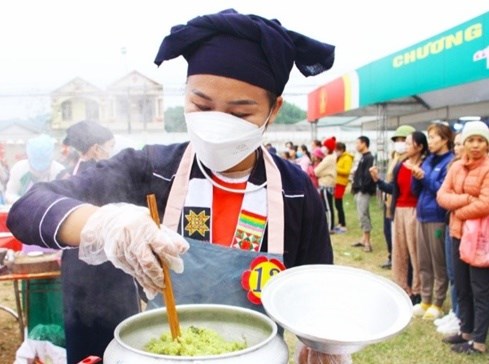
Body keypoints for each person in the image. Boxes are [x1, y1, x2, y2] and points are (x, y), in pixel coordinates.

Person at [7, 8, 335, 362]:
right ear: (185, 95)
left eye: (241, 114)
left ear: (274, 110)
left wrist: (322, 345)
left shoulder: (296, 192)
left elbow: (316, 298)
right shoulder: (152, 169)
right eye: (201, 104)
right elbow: (29, 208)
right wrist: (103, 224)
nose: (218, 124)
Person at [57, 120, 142, 363]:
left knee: (80, 332)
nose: (113, 150)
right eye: (110, 145)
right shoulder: (109, 178)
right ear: (95, 149)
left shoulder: (65, 177)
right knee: (116, 335)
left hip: (75, 269)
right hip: (110, 269)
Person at [437, 120, 489, 355]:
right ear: (464, 143)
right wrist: (467, 200)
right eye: (471, 140)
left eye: (480, 140)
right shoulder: (456, 167)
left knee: (480, 288)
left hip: (479, 238)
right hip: (457, 234)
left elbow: (486, 203)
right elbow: (442, 195)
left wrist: (458, 210)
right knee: (462, 286)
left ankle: (478, 341)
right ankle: (466, 331)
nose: (475, 145)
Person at [370, 131, 428, 301]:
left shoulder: (424, 166)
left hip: (415, 211)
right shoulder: (401, 164)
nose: (405, 146)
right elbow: (394, 189)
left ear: (419, 146)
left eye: (408, 143)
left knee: (415, 253)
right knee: (400, 251)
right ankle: (403, 286)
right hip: (399, 211)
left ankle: (418, 290)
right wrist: (377, 181)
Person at [410, 123, 454, 321]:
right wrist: (416, 176)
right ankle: (425, 299)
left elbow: (441, 189)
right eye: (429, 137)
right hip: (422, 214)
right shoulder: (427, 160)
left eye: (434, 137)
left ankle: (438, 302)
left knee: (438, 262)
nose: (430, 141)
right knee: (424, 260)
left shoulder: (450, 162)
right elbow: (416, 190)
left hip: (437, 217)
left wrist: (424, 177)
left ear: (445, 139)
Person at [435, 132, 463, 336]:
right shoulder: (454, 167)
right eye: (459, 143)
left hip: (468, 229)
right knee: (453, 273)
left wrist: (457, 202)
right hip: (450, 222)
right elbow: (443, 196)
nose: (459, 147)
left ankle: (462, 317)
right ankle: (456, 311)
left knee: (464, 279)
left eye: (465, 143)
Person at [380, 125, 415, 269]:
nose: (399, 143)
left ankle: (401, 262)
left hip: (400, 202)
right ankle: (391, 256)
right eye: (397, 140)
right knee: (388, 231)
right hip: (389, 200)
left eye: (403, 140)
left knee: (398, 235)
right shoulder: (394, 157)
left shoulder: (409, 161)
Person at [5, 134, 64, 205]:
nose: (39, 169)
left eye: (43, 160)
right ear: (29, 155)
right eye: (36, 160)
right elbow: (10, 194)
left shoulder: (59, 170)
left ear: (51, 157)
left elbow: (64, 198)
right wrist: (26, 202)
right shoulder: (19, 168)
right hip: (23, 210)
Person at [350, 136, 376, 252]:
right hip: (359, 190)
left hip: (364, 191)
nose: (356, 146)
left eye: (358, 143)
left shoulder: (369, 157)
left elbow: (367, 176)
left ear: (364, 144)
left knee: (363, 214)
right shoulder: (362, 158)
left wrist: (362, 188)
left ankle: (367, 242)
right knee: (361, 214)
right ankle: (363, 238)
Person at [315, 137, 337, 232]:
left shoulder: (328, 159)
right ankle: (330, 225)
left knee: (327, 207)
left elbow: (316, 171)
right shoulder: (332, 158)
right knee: (329, 206)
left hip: (326, 185)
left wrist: (322, 174)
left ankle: (329, 227)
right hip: (329, 184)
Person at [333, 142, 353, 233]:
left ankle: (343, 223)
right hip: (337, 182)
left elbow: (346, 171)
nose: (336, 152)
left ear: (341, 150)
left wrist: (335, 168)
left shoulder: (347, 158)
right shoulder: (340, 158)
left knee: (338, 203)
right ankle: (340, 222)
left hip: (341, 183)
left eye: (337, 150)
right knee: (337, 204)